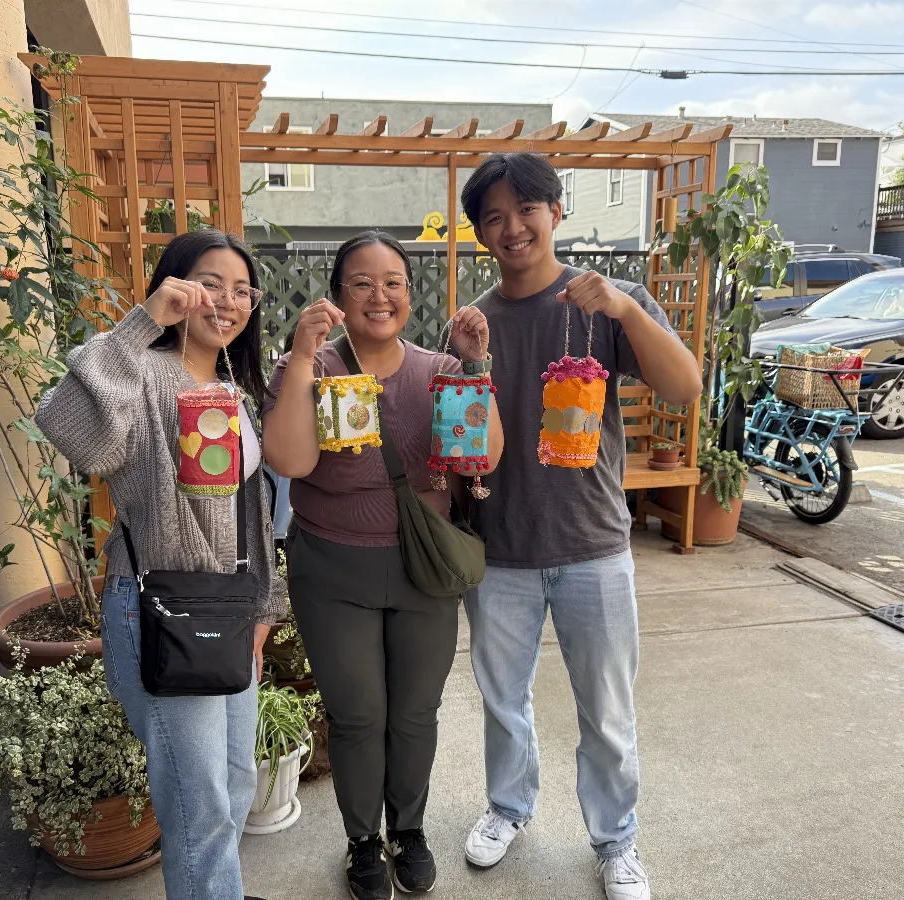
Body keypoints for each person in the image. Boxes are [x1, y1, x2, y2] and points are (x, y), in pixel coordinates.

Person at [457, 153, 701, 900]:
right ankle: (508, 808)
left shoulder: (606, 301)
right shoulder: (475, 322)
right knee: (503, 702)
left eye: (525, 210)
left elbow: (685, 386)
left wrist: (626, 310)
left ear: (555, 212)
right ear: (480, 233)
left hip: (593, 546)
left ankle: (617, 840)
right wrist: (467, 364)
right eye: (493, 217)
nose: (512, 227)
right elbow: (463, 437)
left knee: (607, 712)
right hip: (501, 549)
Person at [35, 229, 281, 900]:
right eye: (210, 283)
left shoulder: (233, 389)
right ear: (176, 285)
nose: (227, 300)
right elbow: (66, 424)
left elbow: (252, 514)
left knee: (233, 782)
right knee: (199, 805)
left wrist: (262, 610)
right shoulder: (143, 374)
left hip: (227, 611)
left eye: (242, 290)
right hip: (162, 609)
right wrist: (141, 323)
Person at [262, 231, 502, 900]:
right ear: (338, 295)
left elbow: (482, 456)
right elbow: (290, 460)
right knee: (358, 715)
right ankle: (363, 840)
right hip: (332, 570)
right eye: (362, 283)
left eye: (393, 282)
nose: (379, 295)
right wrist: (301, 355)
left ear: (409, 294)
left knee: (415, 712)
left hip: (424, 567)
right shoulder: (310, 368)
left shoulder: (439, 370)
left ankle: (410, 830)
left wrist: (477, 367)